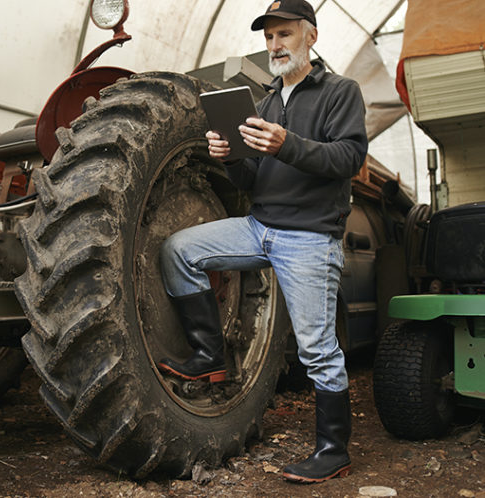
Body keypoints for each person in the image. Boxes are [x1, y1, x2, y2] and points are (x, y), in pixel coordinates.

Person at [158, 0, 368, 484]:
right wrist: (229, 157)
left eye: (285, 35)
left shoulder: (340, 91)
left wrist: (285, 143)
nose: (275, 45)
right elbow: (252, 182)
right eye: (269, 37)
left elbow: (348, 156)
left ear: (310, 36)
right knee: (178, 250)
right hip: (260, 226)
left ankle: (334, 449)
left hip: (309, 236)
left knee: (317, 349)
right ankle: (209, 354)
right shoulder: (267, 103)